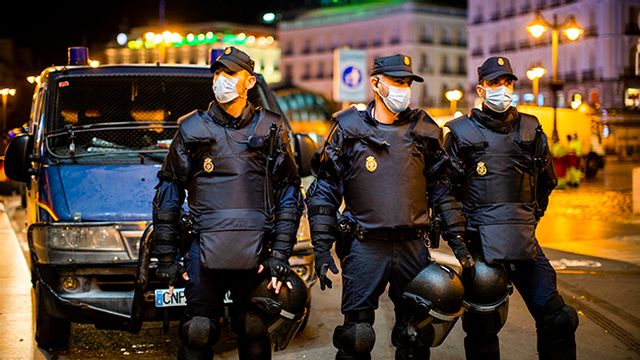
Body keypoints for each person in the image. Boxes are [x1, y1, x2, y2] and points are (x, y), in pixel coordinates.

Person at [306, 53, 473, 359]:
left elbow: (442, 191)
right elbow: (324, 190)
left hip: (413, 246)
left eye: (408, 82)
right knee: (357, 336)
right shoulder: (348, 129)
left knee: (414, 334)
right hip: (365, 246)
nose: (403, 89)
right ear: (375, 83)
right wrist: (321, 246)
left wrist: (459, 242)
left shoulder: (424, 130)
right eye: (397, 81)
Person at [151, 46, 304, 360]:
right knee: (198, 331)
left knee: (253, 328)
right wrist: (167, 259)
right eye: (217, 73)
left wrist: (279, 254)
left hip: (257, 252)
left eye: (230, 73)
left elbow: (289, 191)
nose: (221, 80)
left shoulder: (271, 129)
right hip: (203, 249)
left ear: (248, 82)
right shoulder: (192, 130)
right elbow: (168, 192)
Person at [443, 56, 579, 359]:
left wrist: (527, 219)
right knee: (483, 324)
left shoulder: (531, 130)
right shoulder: (460, 134)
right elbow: (444, 193)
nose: (502, 89)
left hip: (522, 240)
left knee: (559, 318)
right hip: (480, 243)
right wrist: (462, 238)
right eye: (494, 83)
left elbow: (546, 182)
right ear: (481, 89)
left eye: (507, 82)